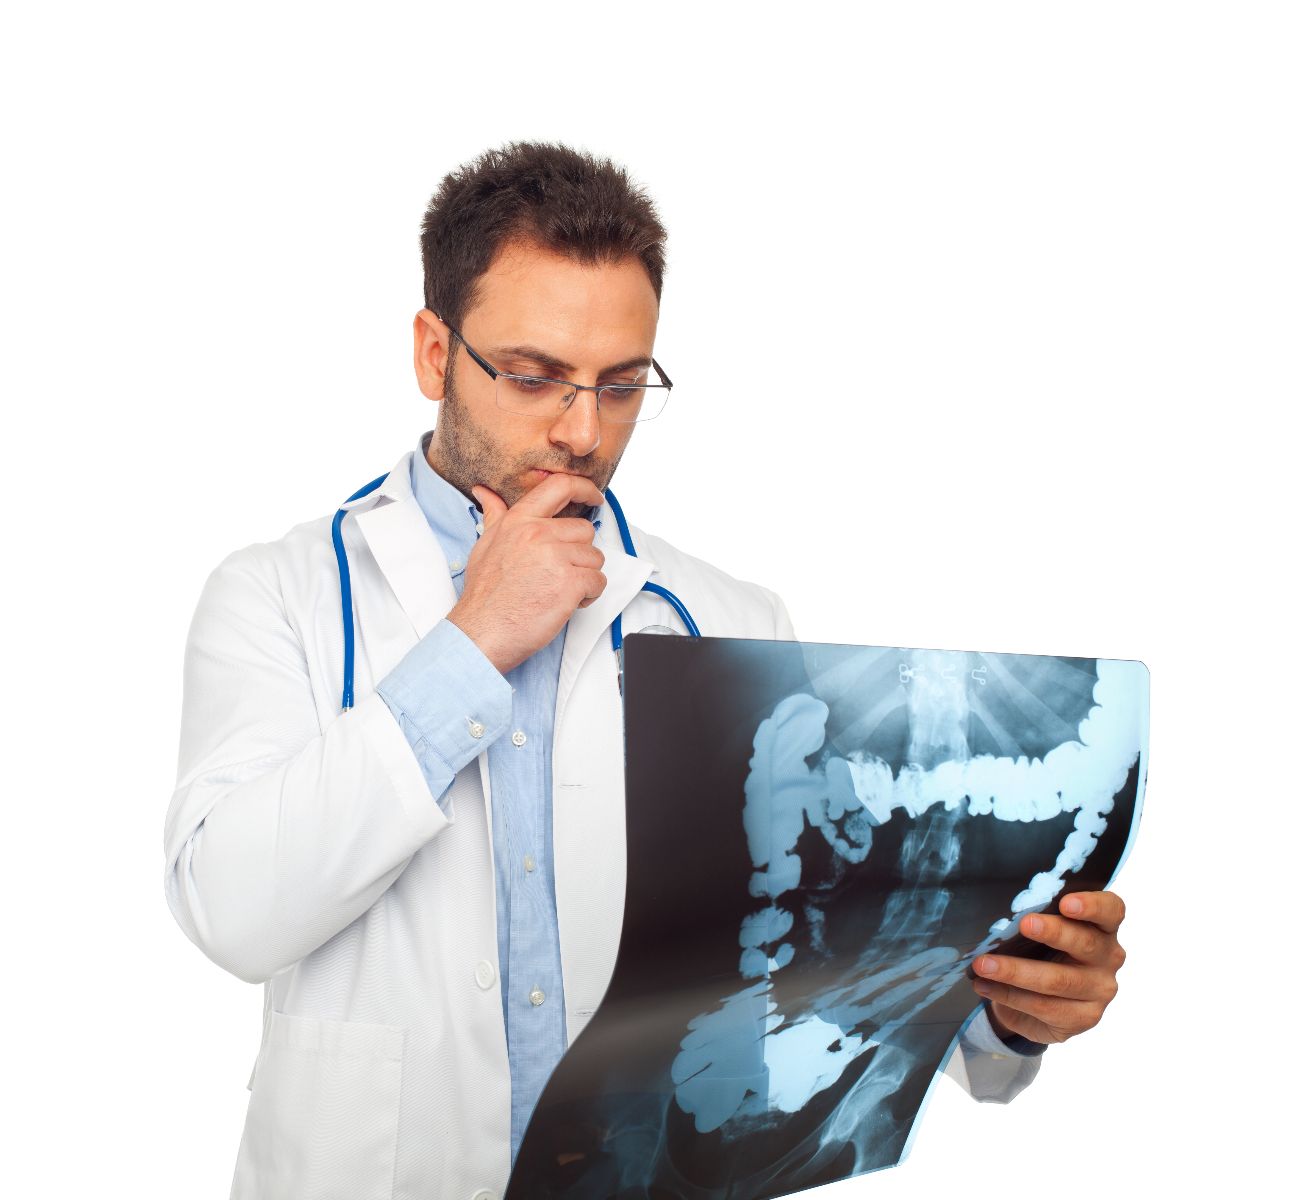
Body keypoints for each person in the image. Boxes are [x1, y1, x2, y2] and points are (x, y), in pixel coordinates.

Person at [163, 142, 1129, 1200]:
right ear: (433, 352)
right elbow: (231, 912)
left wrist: (999, 1006)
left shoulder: (728, 620)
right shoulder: (277, 594)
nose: (580, 431)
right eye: (531, 376)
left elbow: (805, 973)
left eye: (620, 384)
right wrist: (473, 641)